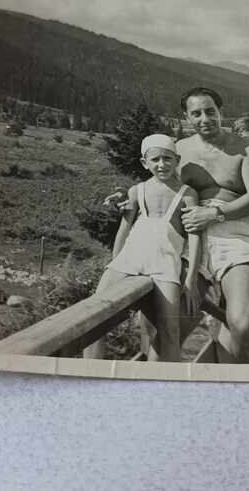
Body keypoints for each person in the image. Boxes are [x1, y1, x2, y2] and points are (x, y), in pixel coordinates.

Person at [83, 134, 201, 362]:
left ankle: (169, 384)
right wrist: (113, 263)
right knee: (93, 313)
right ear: (144, 163)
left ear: (177, 160)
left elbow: (195, 237)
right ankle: (90, 372)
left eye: (167, 159)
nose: (161, 165)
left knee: (170, 328)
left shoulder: (187, 194)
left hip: (166, 264)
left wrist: (191, 278)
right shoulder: (137, 191)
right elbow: (124, 230)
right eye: (155, 160)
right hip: (130, 258)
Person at [177, 88, 249, 363]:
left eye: (210, 111)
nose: (204, 118)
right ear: (186, 117)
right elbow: (160, 187)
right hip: (192, 238)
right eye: (196, 113)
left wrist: (215, 214)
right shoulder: (180, 150)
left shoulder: (244, 149)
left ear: (220, 112)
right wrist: (128, 200)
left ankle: (245, 386)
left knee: (241, 322)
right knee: (174, 322)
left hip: (236, 233)